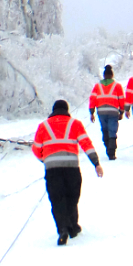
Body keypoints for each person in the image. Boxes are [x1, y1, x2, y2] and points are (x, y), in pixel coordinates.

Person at [32, 99, 104, 246]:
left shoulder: (43, 126)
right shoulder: (74, 124)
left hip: (52, 169)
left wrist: (46, 160)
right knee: (72, 197)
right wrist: (96, 163)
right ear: (67, 110)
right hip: (72, 168)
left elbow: (36, 148)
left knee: (57, 199)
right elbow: (86, 144)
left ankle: (63, 229)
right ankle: (73, 227)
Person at [89, 65, 127, 160]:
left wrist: (92, 112)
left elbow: (92, 98)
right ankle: (112, 152)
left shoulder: (97, 86)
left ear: (104, 75)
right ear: (112, 75)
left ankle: (108, 148)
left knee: (105, 130)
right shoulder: (117, 86)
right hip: (113, 111)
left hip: (101, 111)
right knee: (112, 131)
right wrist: (122, 111)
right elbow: (121, 99)